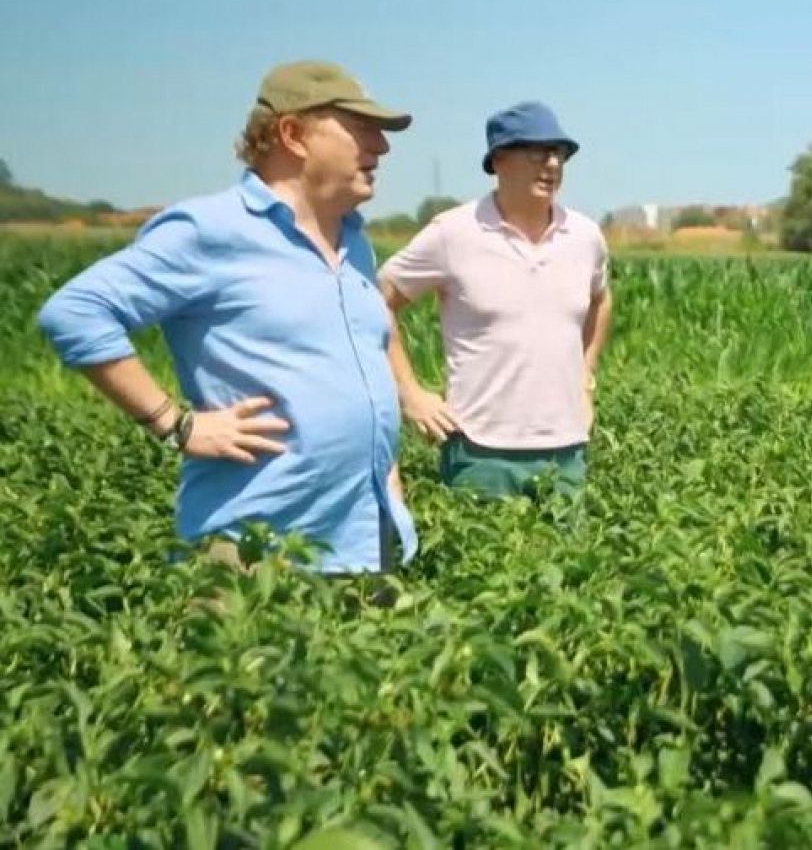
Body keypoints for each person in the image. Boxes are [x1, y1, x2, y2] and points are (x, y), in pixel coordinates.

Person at [36, 60, 418, 574]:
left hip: (364, 542)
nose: (381, 147)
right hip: (260, 551)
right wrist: (175, 425)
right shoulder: (212, 230)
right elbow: (76, 312)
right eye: (360, 129)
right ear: (293, 134)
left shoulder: (352, 240)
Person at [378, 101, 612, 501]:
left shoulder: (585, 236)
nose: (552, 164)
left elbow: (600, 300)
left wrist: (585, 378)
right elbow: (376, 302)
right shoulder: (453, 233)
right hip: (480, 453)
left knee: (569, 563)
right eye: (538, 153)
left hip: (567, 451)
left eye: (560, 154)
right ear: (499, 159)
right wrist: (411, 394)